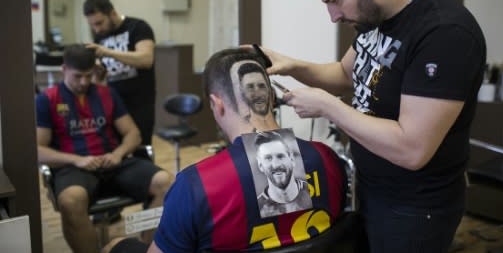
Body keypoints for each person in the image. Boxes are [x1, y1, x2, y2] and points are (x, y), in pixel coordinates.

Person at [256, 0, 487, 253]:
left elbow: (412, 149)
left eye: (335, 1)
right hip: (371, 189)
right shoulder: (374, 17)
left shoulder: (444, 34)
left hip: (415, 209)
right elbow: (345, 73)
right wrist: (292, 65)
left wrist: (329, 107)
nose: (333, 16)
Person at [105, 47, 348, 253]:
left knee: (114, 246)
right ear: (272, 98)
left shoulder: (195, 185)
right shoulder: (326, 159)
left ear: (216, 104)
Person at [36, 44, 172, 253]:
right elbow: (38, 150)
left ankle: (148, 248)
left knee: (167, 183)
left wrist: (117, 154)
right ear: (64, 69)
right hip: (75, 168)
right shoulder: (47, 100)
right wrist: (76, 160)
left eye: (89, 76)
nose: (84, 82)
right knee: (70, 201)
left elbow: (133, 134)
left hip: (114, 162)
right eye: (78, 76)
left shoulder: (107, 94)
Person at [83, 0, 156, 145]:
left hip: (140, 103)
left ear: (113, 13)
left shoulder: (138, 27)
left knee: (140, 149)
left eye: (99, 23)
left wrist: (107, 52)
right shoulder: (100, 36)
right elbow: (101, 78)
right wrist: (97, 70)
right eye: (92, 25)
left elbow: (146, 59)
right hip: (114, 105)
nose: (96, 29)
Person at [254, 131, 311, 217]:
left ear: (292, 159)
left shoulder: (312, 191)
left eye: (280, 156)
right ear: (260, 165)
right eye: (268, 158)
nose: (276, 165)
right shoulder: (258, 207)